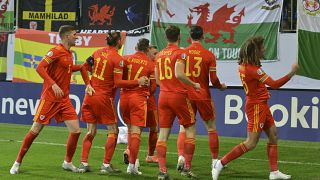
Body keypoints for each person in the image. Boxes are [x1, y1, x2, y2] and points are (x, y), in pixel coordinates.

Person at [212, 36, 298, 180]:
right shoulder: (253, 70)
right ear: (255, 51)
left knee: (273, 134)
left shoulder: (246, 66)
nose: (264, 49)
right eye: (262, 47)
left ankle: (274, 172)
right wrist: (291, 73)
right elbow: (275, 84)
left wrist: (262, 91)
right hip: (256, 107)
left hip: (260, 103)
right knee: (251, 143)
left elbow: (255, 86)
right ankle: (220, 163)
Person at [10, 25, 88, 174]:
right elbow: (40, 67)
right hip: (50, 99)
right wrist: (53, 85)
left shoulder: (69, 54)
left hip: (64, 100)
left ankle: (67, 162)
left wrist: (83, 67)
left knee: (76, 131)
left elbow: (68, 68)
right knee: (35, 130)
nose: (77, 37)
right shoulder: (55, 51)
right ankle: (17, 162)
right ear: (66, 36)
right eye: (74, 34)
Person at [78, 32, 148, 173]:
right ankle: (105, 165)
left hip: (90, 95)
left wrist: (87, 84)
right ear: (118, 42)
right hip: (104, 97)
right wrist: (137, 81)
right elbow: (118, 82)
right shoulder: (118, 59)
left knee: (91, 131)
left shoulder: (97, 52)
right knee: (113, 131)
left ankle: (83, 163)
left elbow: (83, 67)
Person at [175, 26, 227, 172]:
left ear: (189, 37)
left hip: (186, 95)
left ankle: (181, 156)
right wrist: (220, 86)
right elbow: (214, 79)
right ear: (202, 36)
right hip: (203, 94)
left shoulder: (183, 53)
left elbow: (178, 74)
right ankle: (215, 161)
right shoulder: (209, 55)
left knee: (183, 128)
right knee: (211, 128)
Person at [155, 25, 200, 180]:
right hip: (179, 96)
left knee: (163, 134)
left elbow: (157, 79)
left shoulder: (159, 54)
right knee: (190, 130)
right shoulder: (181, 53)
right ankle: (187, 168)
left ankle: (162, 171)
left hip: (163, 96)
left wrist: (167, 87)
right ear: (179, 37)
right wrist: (193, 84)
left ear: (166, 37)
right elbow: (179, 74)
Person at [120, 38, 155, 175]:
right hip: (138, 99)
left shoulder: (126, 58)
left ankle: (132, 160)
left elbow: (119, 80)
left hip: (124, 98)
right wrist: (146, 93)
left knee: (129, 130)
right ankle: (132, 166)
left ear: (136, 47)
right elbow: (152, 88)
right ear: (147, 49)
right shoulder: (150, 64)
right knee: (136, 133)